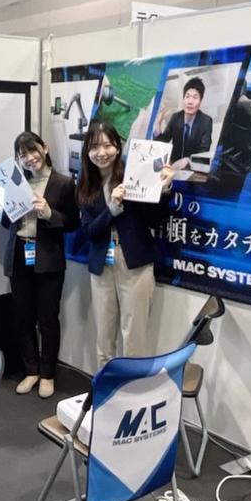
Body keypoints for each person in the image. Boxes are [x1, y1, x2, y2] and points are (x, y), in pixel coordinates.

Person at [0, 132, 78, 398]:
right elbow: (7, 222)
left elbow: (73, 223)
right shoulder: (16, 183)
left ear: (44, 148)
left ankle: (47, 374)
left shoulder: (63, 183)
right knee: (23, 317)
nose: (29, 158)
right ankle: (31, 371)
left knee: (47, 319)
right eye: (23, 155)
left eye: (32, 150)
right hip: (19, 254)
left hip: (49, 258)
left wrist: (48, 212)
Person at [77, 121, 174, 369]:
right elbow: (89, 232)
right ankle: (105, 387)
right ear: (87, 151)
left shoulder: (135, 173)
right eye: (94, 147)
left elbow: (154, 219)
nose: (101, 152)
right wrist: (111, 209)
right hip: (101, 266)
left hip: (135, 262)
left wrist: (163, 189)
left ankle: (132, 390)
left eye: (107, 145)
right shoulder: (85, 183)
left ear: (118, 147)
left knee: (134, 337)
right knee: (104, 338)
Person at [153, 77, 213, 169]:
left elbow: (204, 152)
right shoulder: (176, 117)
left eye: (195, 97)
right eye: (187, 96)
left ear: (200, 101)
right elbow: (163, 143)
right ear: (183, 99)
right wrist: (158, 124)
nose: (190, 102)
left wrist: (188, 160)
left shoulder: (206, 121)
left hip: (192, 169)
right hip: (173, 166)